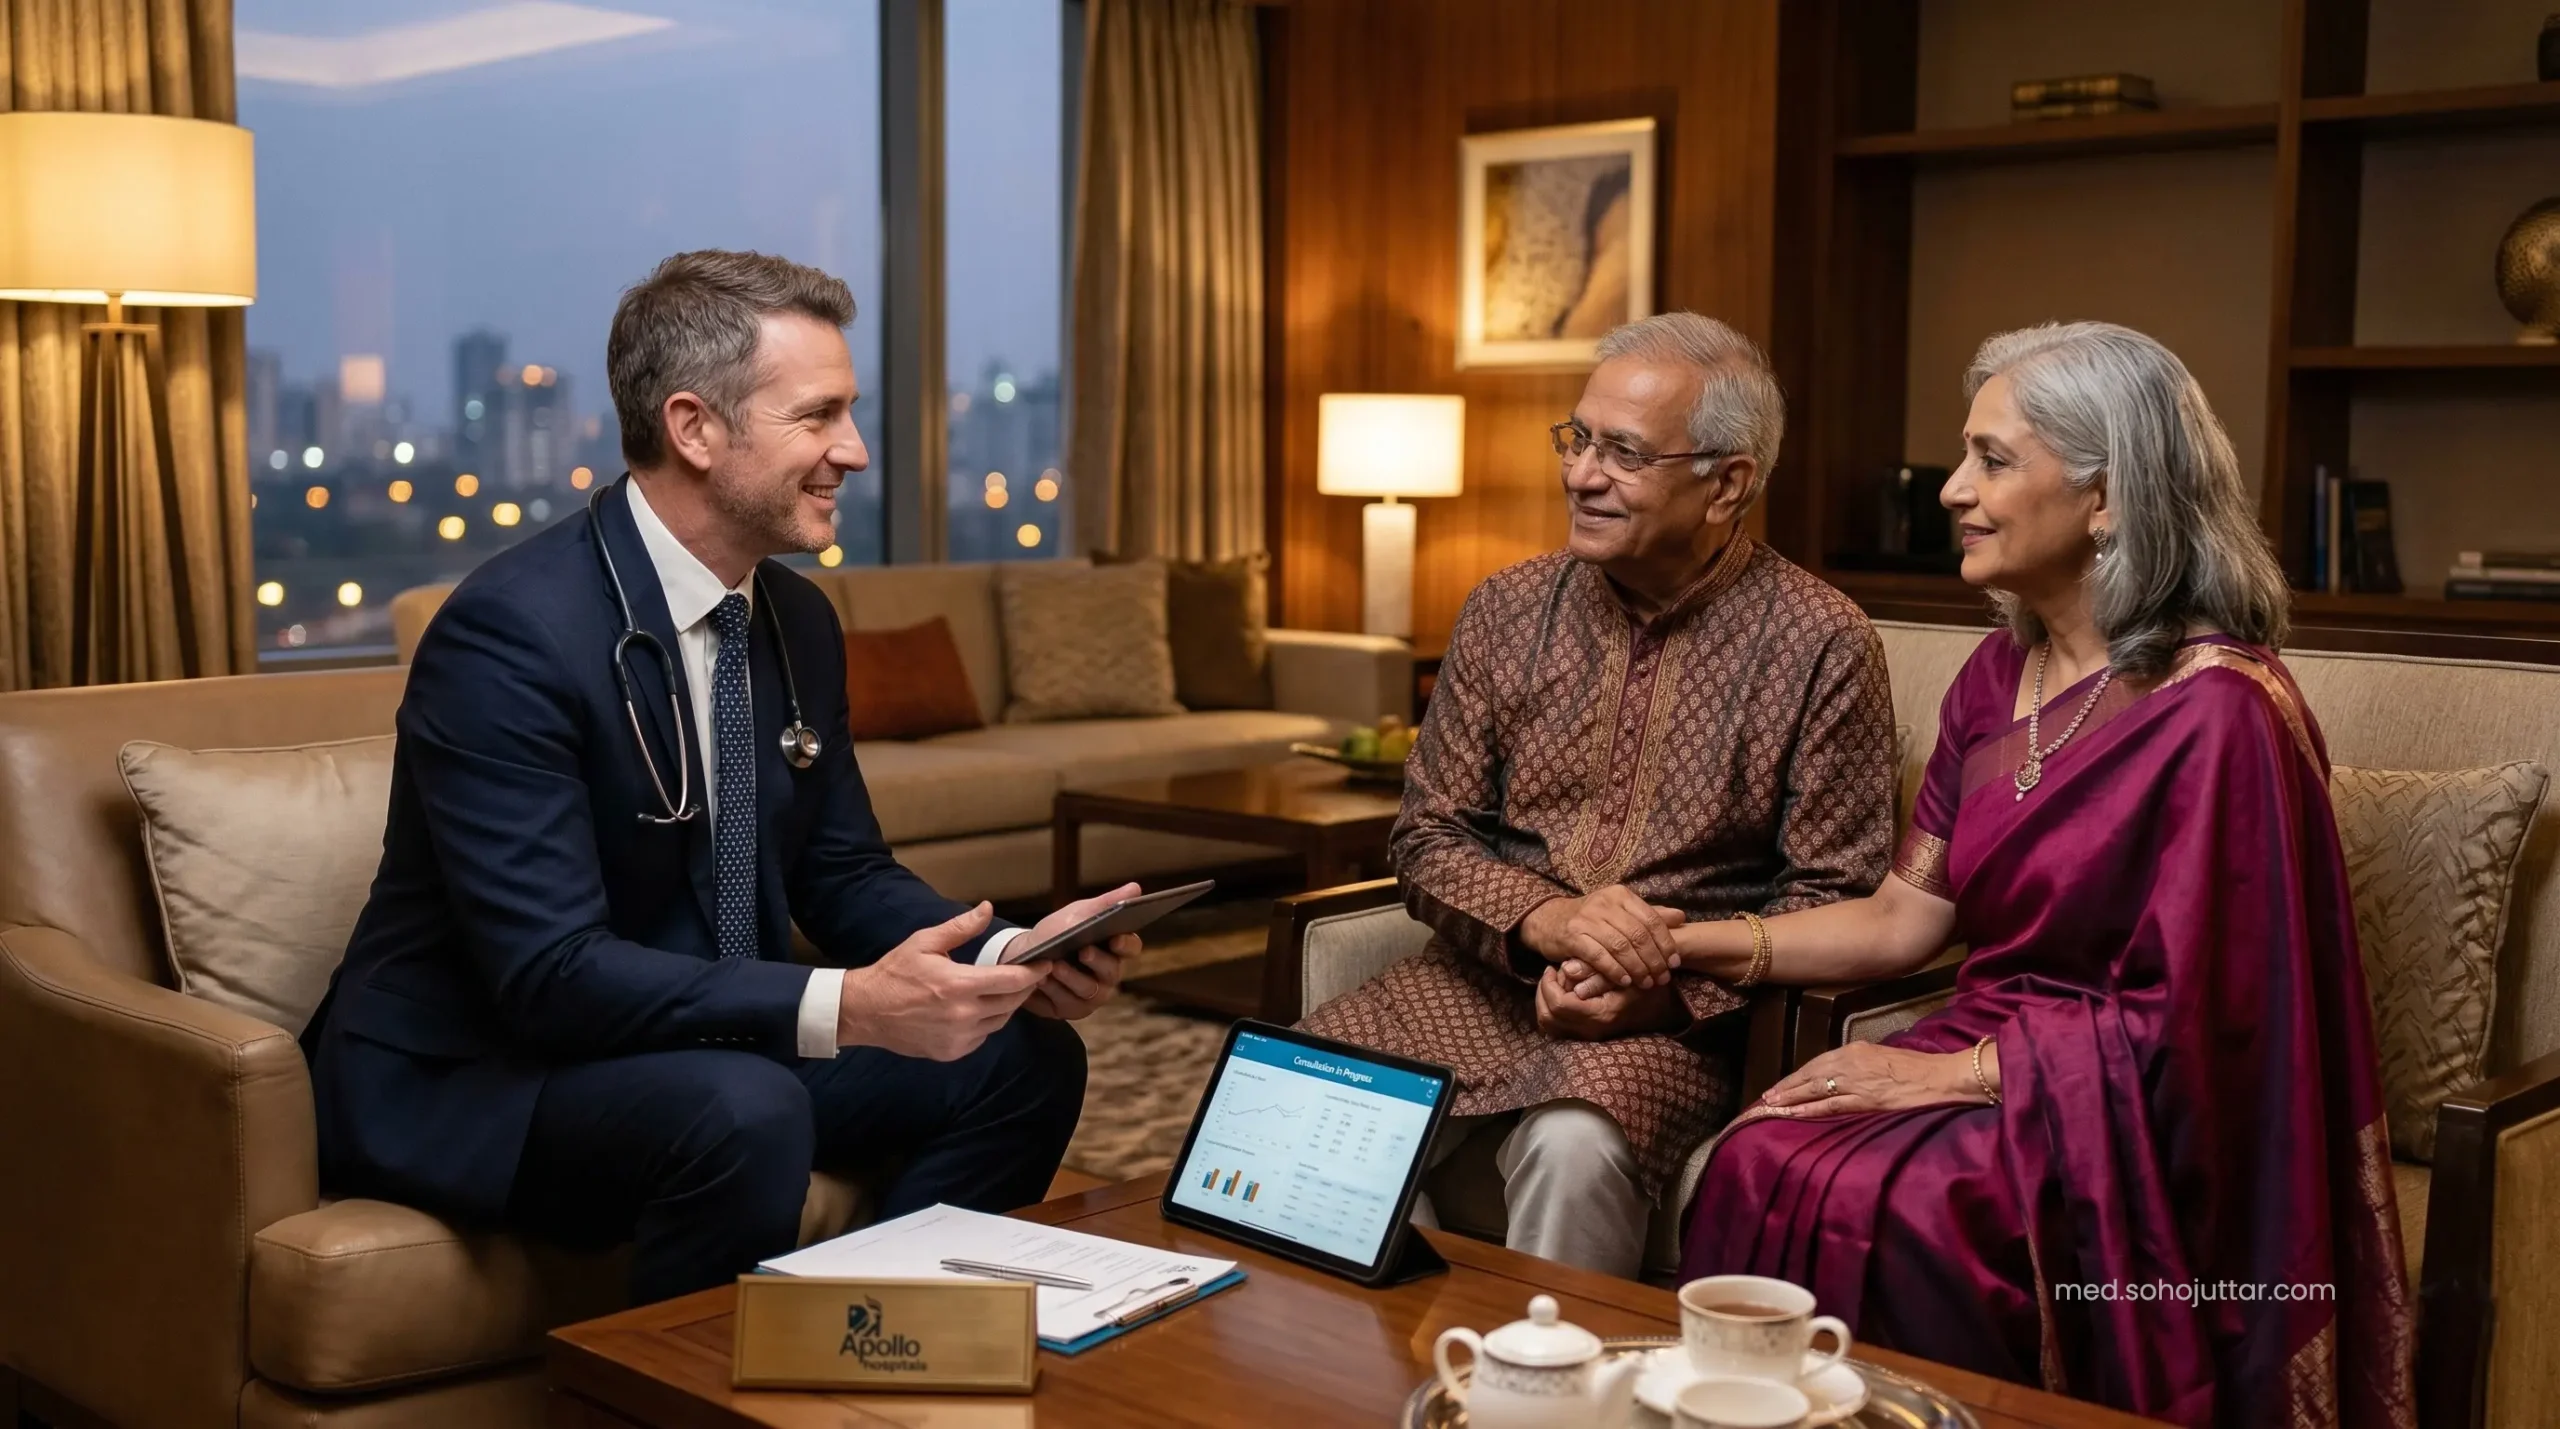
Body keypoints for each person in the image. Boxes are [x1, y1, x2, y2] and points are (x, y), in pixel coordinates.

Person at [302, 250, 1142, 1304]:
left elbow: (841, 870)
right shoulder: (509, 635)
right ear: (695, 428)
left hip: (712, 1040)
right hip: (484, 1073)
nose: (856, 449)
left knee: (1023, 1062)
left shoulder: (794, 619)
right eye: (818, 416)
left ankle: (874, 1337)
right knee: (745, 1109)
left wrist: (1011, 954)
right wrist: (850, 1006)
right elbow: (549, 973)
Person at [1664, 322, 2414, 1427]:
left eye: (1993, 460)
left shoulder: (2217, 711)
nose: (1954, 491)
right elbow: (1900, 919)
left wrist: (1948, 1075)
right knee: (1758, 1157)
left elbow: (2203, 1023)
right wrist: (1673, 937)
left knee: (1908, 1203)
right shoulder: (1992, 675)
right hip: (2001, 1043)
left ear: (2107, 497)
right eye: (1962, 458)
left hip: (2139, 1098)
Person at [1300, 312, 1899, 1280]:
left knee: (1572, 1147)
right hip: (1478, 981)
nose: (1580, 473)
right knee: (1310, 1101)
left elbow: (1830, 898)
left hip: (1667, 1019)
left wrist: (1655, 986)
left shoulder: (1822, 644)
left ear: (1728, 482)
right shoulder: (1505, 607)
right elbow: (1427, 834)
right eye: (1578, 439)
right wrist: (1550, 921)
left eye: (1622, 452)